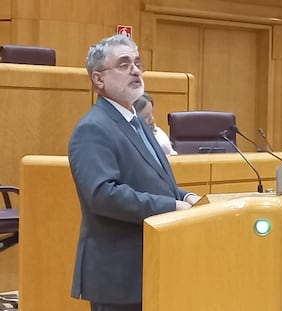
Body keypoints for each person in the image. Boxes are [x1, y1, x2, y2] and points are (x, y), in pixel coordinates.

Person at [68, 34, 201, 311]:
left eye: (137, 63)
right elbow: (103, 195)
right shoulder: (93, 128)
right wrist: (170, 207)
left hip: (149, 266)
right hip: (119, 275)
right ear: (98, 79)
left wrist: (186, 197)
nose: (136, 70)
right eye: (124, 64)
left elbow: (153, 179)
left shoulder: (136, 122)